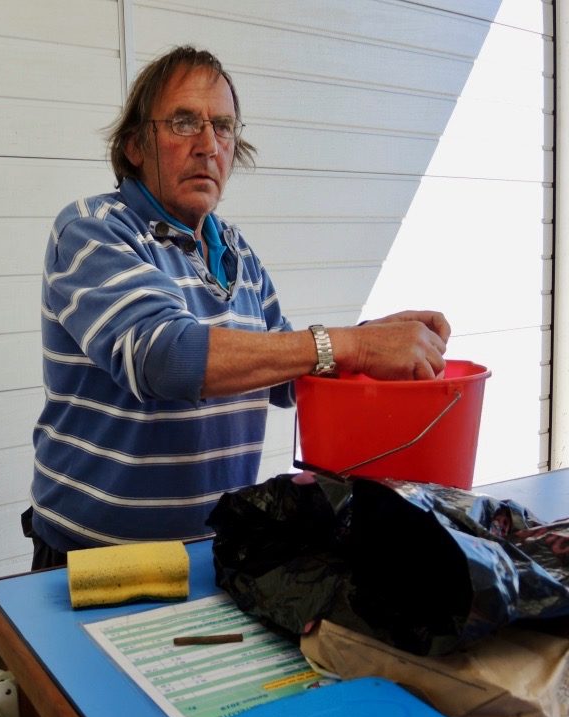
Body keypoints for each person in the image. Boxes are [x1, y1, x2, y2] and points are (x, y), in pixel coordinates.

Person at [24, 45, 450, 569]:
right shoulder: (92, 230)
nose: (208, 145)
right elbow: (166, 358)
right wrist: (351, 343)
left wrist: (369, 342)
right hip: (93, 560)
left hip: (210, 554)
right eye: (184, 122)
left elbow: (287, 374)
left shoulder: (235, 251)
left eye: (222, 126)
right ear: (135, 145)